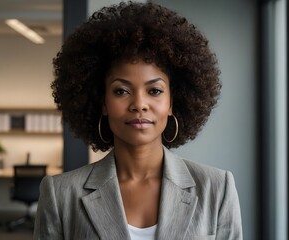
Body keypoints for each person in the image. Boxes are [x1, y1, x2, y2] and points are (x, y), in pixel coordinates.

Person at [33, 2, 242, 239]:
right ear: (103, 102)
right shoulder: (60, 194)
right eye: (121, 91)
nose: (139, 104)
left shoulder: (216, 188)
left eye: (154, 91)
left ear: (173, 102)